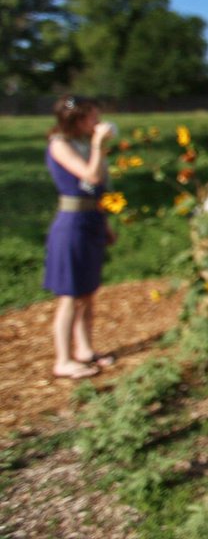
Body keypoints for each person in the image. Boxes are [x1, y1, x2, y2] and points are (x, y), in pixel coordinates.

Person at [45, 94, 117, 379]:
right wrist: (99, 145)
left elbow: (97, 189)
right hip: (72, 224)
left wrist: (105, 224)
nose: (98, 123)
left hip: (90, 220)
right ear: (77, 119)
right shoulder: (59, 145)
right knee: (70, 296)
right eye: (93, 118)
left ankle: (85, 351)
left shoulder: (83, 144)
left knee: (87, 293)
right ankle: (62, 360)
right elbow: (91, 176)